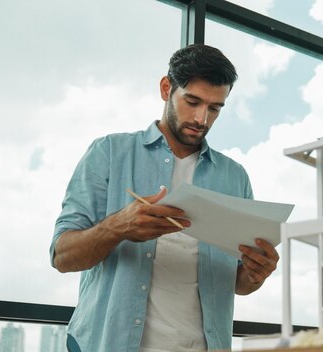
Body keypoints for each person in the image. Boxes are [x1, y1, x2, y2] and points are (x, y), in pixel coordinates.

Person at [50, 44, 279, 352]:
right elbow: (62, 256)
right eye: (193, 101)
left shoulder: (234, 177)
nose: (202, 119)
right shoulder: (110, 153)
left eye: (215, 108)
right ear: (166, 88)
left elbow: (238, 283)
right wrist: (118, 226)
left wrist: (255, 274)